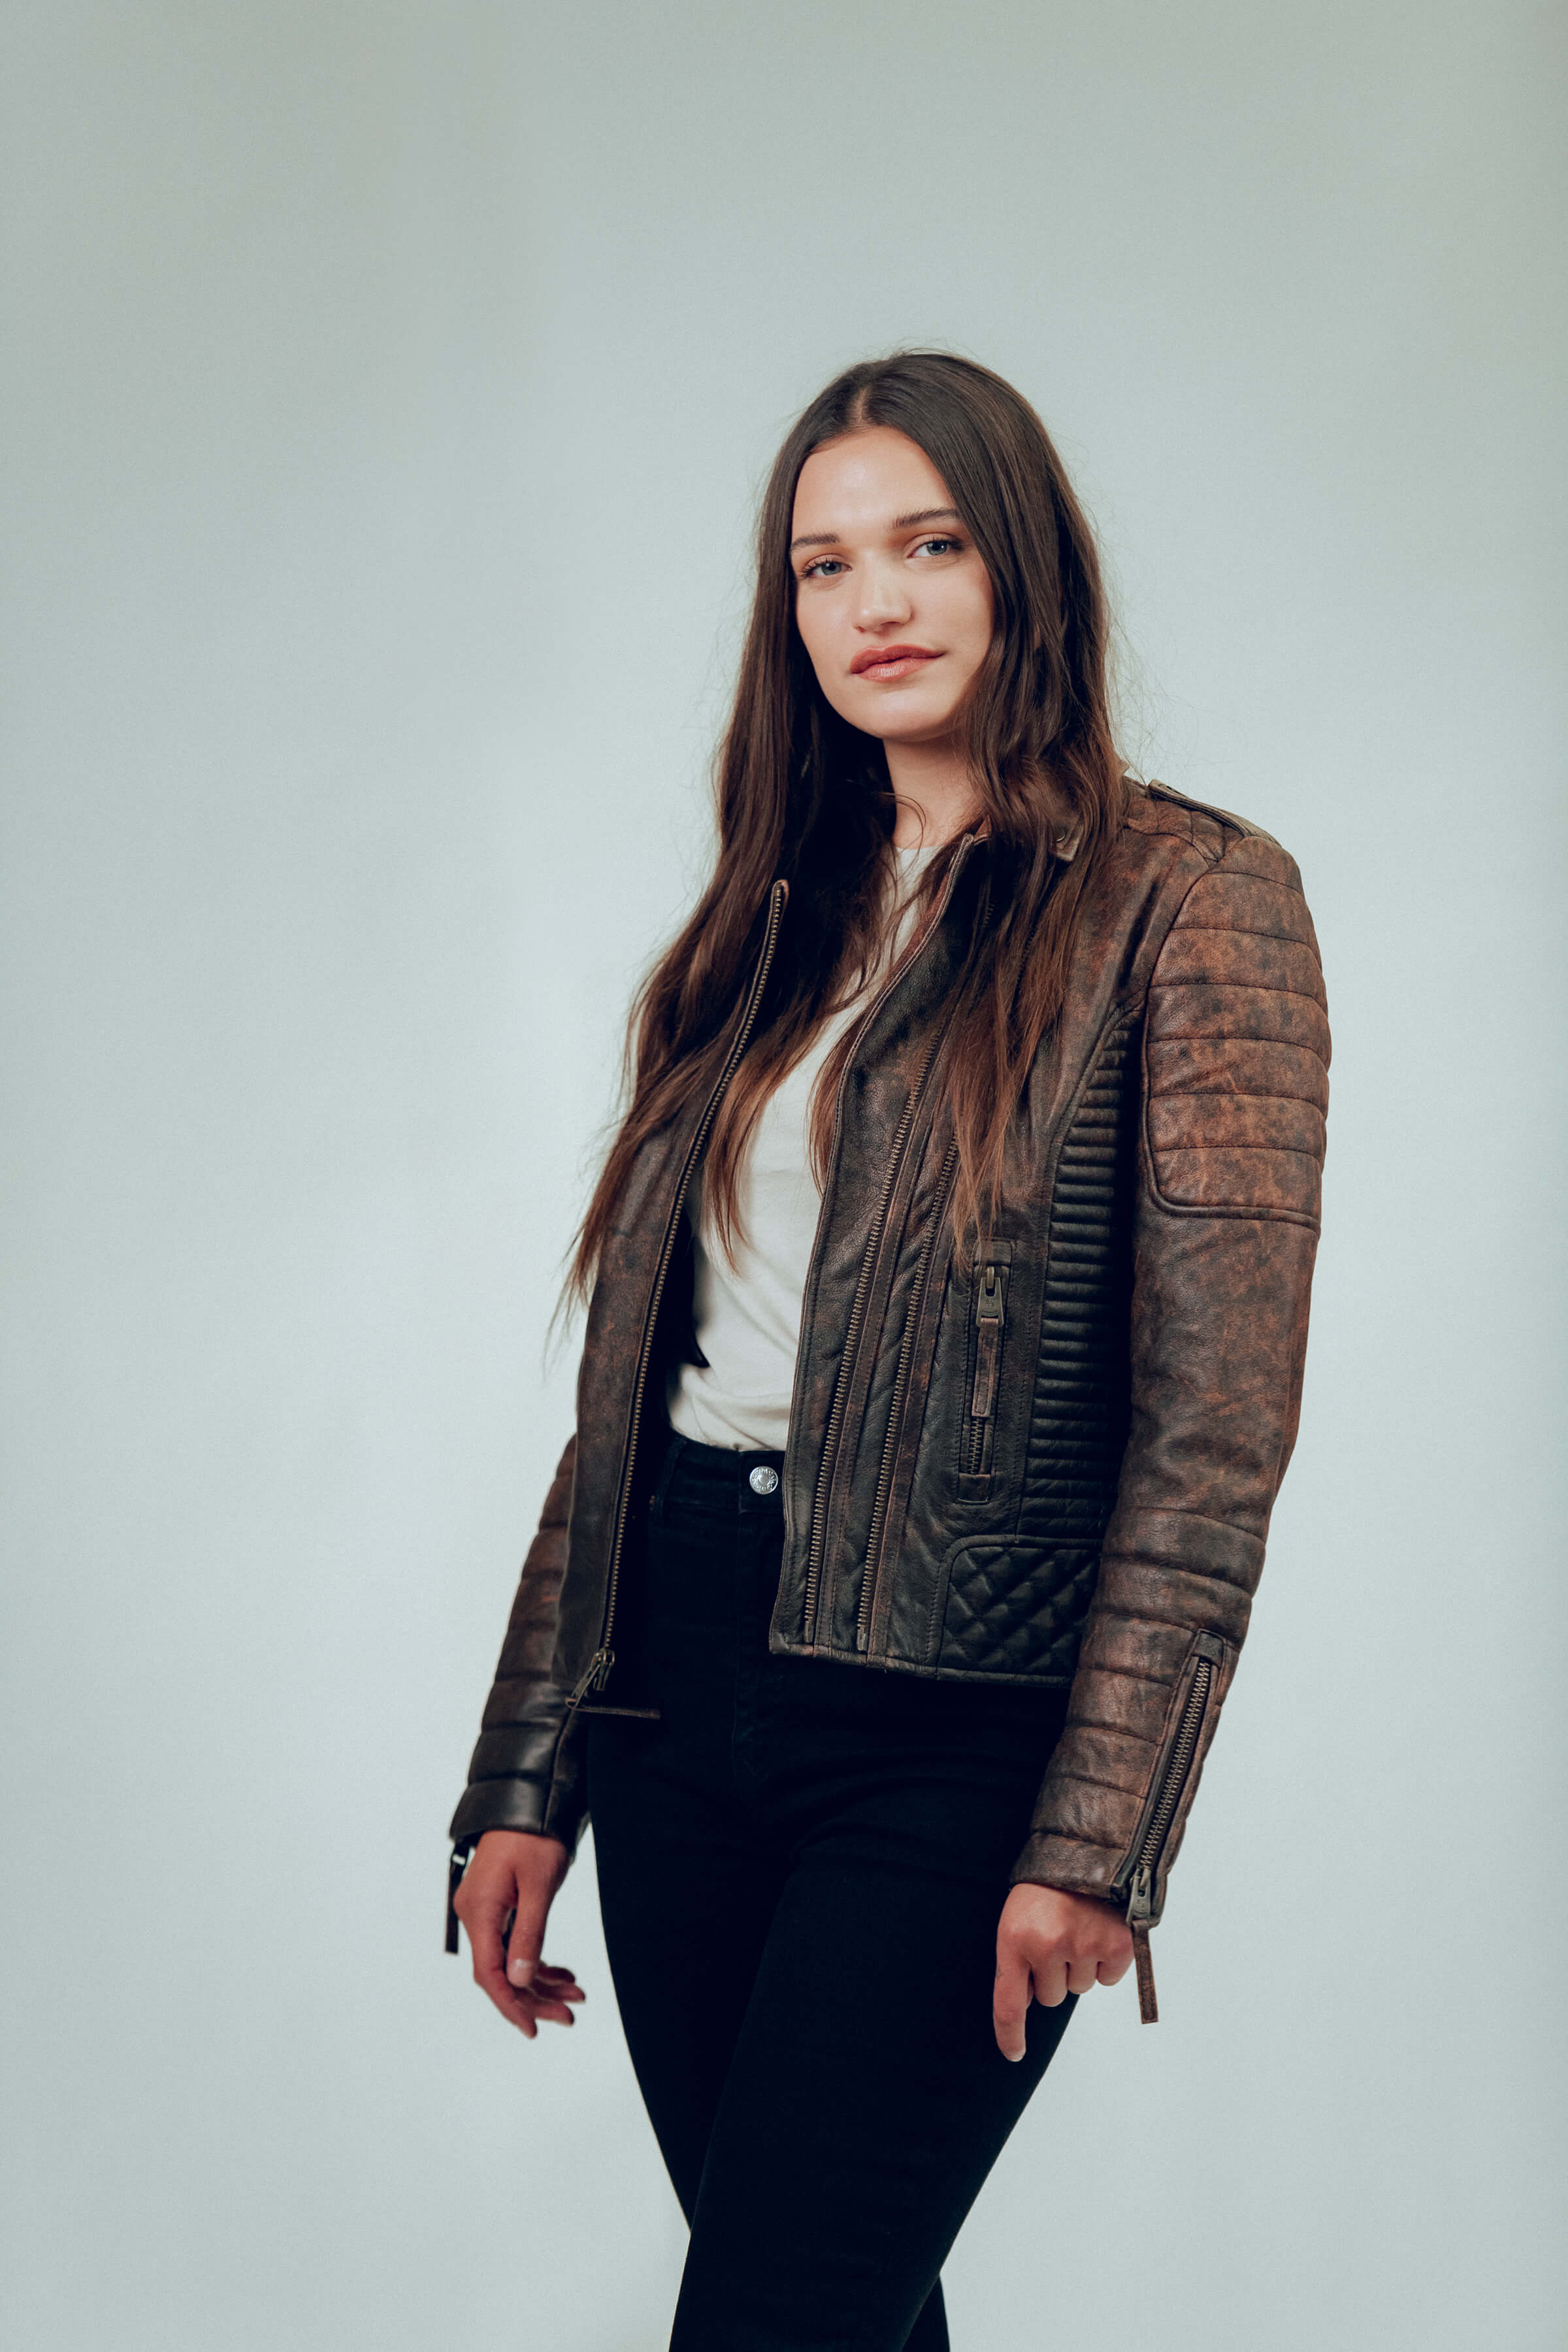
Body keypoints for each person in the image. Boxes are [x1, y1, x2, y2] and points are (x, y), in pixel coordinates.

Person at [446, 351, 1330, 2351]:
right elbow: (627, 1408)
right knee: (834, 2312)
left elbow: (1216, 1427)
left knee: (776, 2317)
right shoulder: (762, 925)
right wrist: (525, 1771)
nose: (876, 603)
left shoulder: (1191, 904)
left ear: (1022, 566)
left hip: (953, 1727)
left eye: (927, 544)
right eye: (823, 565)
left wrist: (1100, 1836)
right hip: (673, 1698)